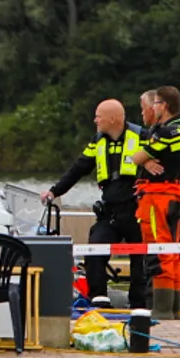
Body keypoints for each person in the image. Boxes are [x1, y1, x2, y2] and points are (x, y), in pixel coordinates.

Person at [42, 99, 147, 309]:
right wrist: (54, 191)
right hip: (110, 210)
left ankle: (139, 306)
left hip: (137, 209)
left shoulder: (142, 136)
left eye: (99, 116)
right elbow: (78, 168)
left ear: (113, 118)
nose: (95, 120)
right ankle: (99, 299)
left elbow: (165, 161)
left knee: (141, 259)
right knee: (94, 250)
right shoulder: (98, 141)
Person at [133, 87, 180, 318]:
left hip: (158, 197)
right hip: (173, 196)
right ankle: (174, 310)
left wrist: (143, 160)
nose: (151, 108)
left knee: (160, 253)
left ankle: (162, 311)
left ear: (164, 105)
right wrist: (147, 162)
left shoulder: (167, 131)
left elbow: (136, 157)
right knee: (174, 253)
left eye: (155, 103)